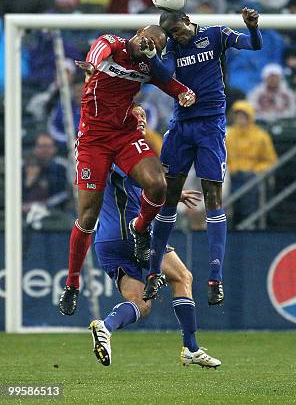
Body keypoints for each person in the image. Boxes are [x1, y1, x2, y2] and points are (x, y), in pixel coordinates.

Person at [58, 25, 196, 316]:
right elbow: (98, 50)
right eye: (146, 39)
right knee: (86, 217)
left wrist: (185, 93)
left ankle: (141, 229)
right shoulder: (111, 43)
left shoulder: (147, 65)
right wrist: (93, 65)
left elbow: (170, 85)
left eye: (154, 46)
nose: (148, 45)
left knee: (157, 184)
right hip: (93, 141)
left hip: (123, 138)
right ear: (136, 33)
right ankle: (72, 284)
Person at [147, 8, 262, 304]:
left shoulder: (216, 34)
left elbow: (253, 45)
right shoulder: (173, 46)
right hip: (182, 127)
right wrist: (151, 58)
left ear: (187, 20)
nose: (178, 37)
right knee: (168, 197)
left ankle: (215, 277)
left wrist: (253, 28)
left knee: (213, 198)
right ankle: (152, 271)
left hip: (211, 128)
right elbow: (165, 75)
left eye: (179, 31)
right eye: (172, 35)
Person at [89, 165, 221, 368]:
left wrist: (172, 195)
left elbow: (134, 189)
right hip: (133, 231)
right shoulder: (125, 154)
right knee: (182, 277)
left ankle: (106, 327)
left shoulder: (98, 160)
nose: (140, 130)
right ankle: (191, 348)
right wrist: (172, 192)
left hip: (105, 239)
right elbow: (151, 187)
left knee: (141, 303)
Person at [226, 100, 278, 226]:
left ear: (250, 117)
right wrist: (229, 169)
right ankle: (226, 221)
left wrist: (257, 170)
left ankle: (249, 221)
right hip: (230, 174)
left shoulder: (261, 136)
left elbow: (271, 160)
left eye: (244, 116)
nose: (240, 119)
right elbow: (221, 158)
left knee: (250, 186)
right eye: (238, 116)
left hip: (252, 175)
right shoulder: (227, 135)